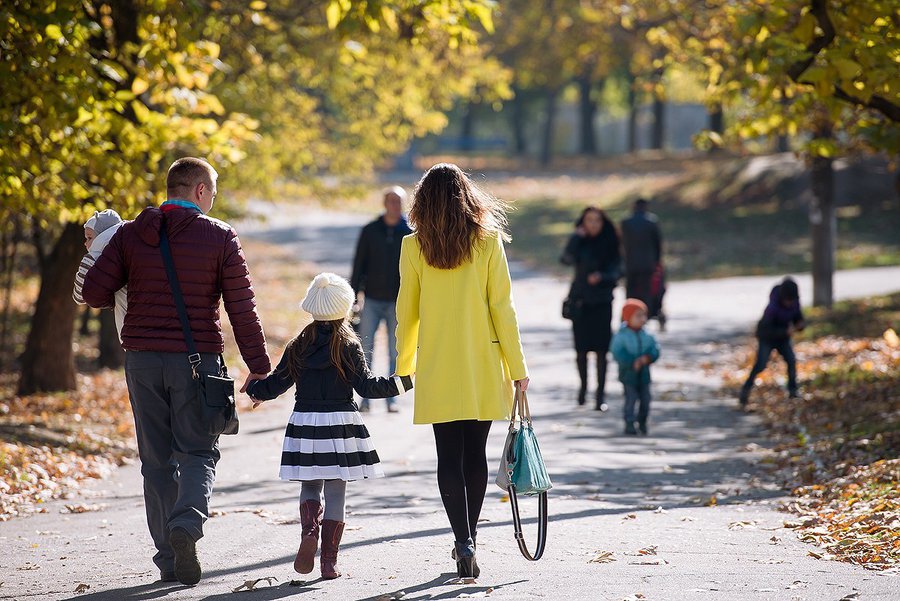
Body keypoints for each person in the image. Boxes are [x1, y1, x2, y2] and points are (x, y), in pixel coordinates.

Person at [81, 157, 271, 586]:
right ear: (200, 191)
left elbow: (94, 292)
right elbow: (242, 308)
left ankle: (168, 557)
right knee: (199, 451)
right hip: (195, 362)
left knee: (156, 461)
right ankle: (186, 523)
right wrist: (259, 368)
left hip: (142, 362)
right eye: (214, 191)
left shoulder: (131, 234)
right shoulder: (220, 236)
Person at [395, 163, 529, 580]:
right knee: (476, 454)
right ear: (467, 197)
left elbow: (407, 312)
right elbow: (501, 309)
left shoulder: (413, 247)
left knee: (447, 455)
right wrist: (519, 368)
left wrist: (404, 366)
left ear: (422, 203)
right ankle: (470, 537)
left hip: (437, 364)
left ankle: (462, 540)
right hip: (483, 363)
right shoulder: (488, 243)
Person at [247, 272, 412, 580]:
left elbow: (277, 384)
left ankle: (309, 532)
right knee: (336, 492)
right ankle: (329, 562)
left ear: (312, 307)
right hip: (341, 425)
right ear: (345, 308)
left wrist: (255, 391)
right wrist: (405, 383)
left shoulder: (299, 344)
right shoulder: (349, 345)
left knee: (310, 485)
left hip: (306, 423)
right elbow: (367, 387)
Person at [350, 186, 413, 413]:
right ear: (384, 204)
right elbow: (359, 264)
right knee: (365, 348)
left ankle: (391, 397)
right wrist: (353, 296)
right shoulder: (370, 230)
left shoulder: (410, 232)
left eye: (399, 202)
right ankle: (364, 398)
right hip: (372, 300)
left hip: (400, 302)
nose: (395, 206)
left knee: (396, 351)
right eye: (391, 201)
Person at [560, 206, 622, 410]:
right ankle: (583, 389)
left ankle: (600, 395)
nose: (593, 224)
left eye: (597, 220)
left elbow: (619, 270)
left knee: (602, 350)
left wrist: (602, 277)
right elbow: (565, 259)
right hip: (580, 301)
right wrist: (576, 237)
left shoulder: (611, 242)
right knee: (581, 349)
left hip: (602, 301)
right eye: (589, 220)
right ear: (583, 222)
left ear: (603, 222)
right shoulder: (580, 242)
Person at [739, 277, 805, 407]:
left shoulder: (795, 303)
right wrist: (783, 332)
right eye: (787, 300)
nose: (789, 303)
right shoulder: (772, 307)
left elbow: (799, 318)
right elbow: (765, 329)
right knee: (761, 364)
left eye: (792, 301)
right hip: (767, 338)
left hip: (783, 339)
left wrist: (800, 325)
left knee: (791, 360)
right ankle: (746, 389)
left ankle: (793, 391)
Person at [73, 209, 127, 342]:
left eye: (90, 238)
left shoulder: (93, 258)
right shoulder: (129, 247)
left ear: (103, 236)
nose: (85, 243)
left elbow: (78, 296)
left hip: (128, 326)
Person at [610, 299, 660, 435]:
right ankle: (629, 422)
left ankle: (642, 421)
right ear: (628, 317)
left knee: (646, 398)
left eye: (643, 315)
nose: (642, 319)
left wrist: (648, 358)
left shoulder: (647, 334)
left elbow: (655, 349)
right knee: (630, 398)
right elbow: (617, 352)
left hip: (644, 373)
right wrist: (631, 361)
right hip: (628, 373)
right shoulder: (621, 336)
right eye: (638, 315)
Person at [620, 198, 666, 330]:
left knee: (630, 291)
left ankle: (628, 316)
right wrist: (657, 261)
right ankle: (644, 316)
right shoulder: (651, 221)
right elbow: (657, 244)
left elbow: (622, 243)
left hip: (630, 263)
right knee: (647, 291)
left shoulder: (626, 222)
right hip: (648, 263)